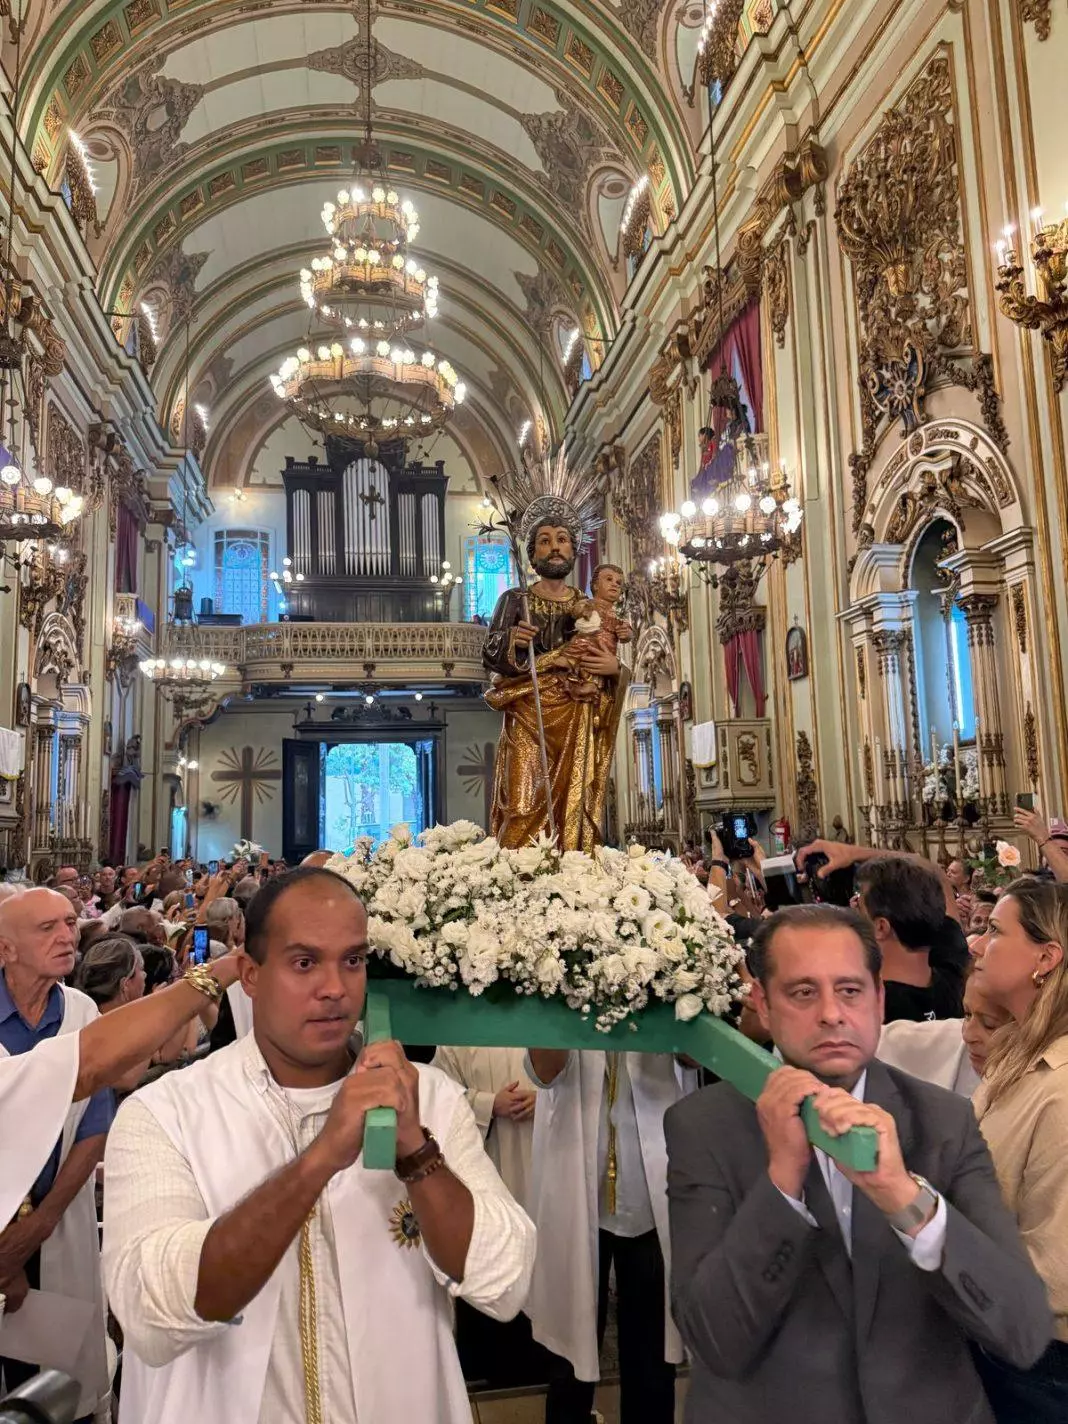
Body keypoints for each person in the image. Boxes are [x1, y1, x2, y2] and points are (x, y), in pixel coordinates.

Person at [103, 867, 535, 1424]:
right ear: (252, 976)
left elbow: (504, 1282)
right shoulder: (165, 1114)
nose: (335, 988)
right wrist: (319, 1160)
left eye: (352, 960)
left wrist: (416, 1150)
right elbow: (151, 1310)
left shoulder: (427, 1097)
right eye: (304, 963)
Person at [665, 903, 1052, 1424]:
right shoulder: (704, 1127)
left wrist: (904, 1198)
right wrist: (781, 1182)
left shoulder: (943, 1121)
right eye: (804, 992)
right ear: (762, 1001)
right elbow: (714, 1339)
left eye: (849, 990)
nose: (831, 1013)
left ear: (878, 998)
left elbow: (1022, 1332)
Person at [524, 1046, 695, 1424]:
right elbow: (544, 1073)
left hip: (651, 1188)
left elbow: (693, 1057)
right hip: (577, 1178)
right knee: (570, 1359)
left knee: (652, 1359)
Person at [0, 888, 115, 1420]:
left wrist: (40, 1224)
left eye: (70, 923)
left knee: (56, 1383)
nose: (67, 936)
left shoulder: (82, 1011)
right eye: (46, 928)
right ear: (5, 949)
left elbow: (94, 1125)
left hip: (59, 1221)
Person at [971, 879, 1068, 1418]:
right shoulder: (1018, 1049)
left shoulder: (1062, 1084)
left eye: (993, 930)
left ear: (1046, 957)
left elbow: (1058, 1263)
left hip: (1045, 1362)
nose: (978, 945)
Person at [483, 512, 623, 852]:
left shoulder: (586, 605)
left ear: (573, 551)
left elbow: (609, 654)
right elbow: (490, 655)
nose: (554, 548)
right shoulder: (516, 600)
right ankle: (517, 886)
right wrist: (514, 640)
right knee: (521, 804)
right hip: (529, 711)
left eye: (562, 540)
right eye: (545, 541)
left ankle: (570, 881)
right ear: (532, 554)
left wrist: (615, 669)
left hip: (577, 711)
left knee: (571, 803)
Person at [854, 856, 965, 1021]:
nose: (854, 914)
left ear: (881, 927)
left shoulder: (866, 1008)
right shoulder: (956, 974)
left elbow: (936, 873)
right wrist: (853, 853)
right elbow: (937, 874)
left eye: (859, 907)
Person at [877, 963, 1012, 1094]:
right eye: (967, 1015)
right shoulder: (946, 1038)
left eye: (989, 1024)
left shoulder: (1030, 1097)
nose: (967, 1035)